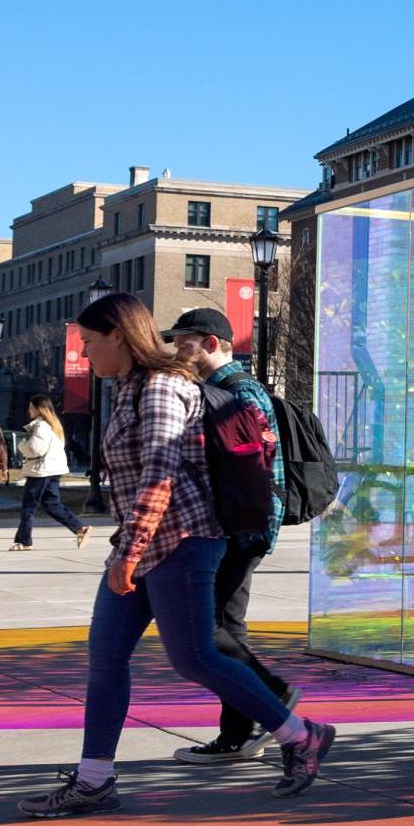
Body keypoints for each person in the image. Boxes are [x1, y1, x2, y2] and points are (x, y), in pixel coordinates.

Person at [19, 292, 336, 818]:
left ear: (118, 335)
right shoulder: (129, 387)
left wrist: (128, 553)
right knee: (106, 656)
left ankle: (301, 735)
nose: (85, 353)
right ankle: (94, 780)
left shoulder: (163, 387)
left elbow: (159, 476)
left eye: (90, 342)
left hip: (184, 541)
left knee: (195, 656)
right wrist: (128, 548)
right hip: (144, 542)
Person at [158, 307, 300, 763]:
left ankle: (264, 701)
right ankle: (242, 728)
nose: (176, 349)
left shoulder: (237, 392)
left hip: (241, 528)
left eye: (183, 341)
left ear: (212, 343)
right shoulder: (222, 389)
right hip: (239, 525)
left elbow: (251, 466)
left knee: (212, 627)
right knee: (222, 625)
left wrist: (243, 527)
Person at [10, 396, 92, 552]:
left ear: (39, 409)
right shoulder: (54, 426)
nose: (28, 410)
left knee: (29, 507)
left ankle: (24, 541)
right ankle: (80, 528)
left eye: (31, 407)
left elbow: (34, 449)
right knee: (52, 505)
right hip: (53, 471)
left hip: (40, 472)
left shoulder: (41, 426)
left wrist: (21, 445)